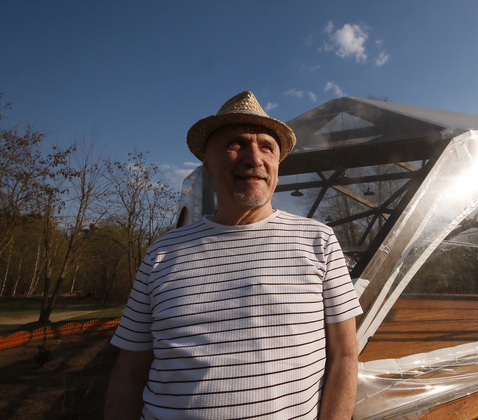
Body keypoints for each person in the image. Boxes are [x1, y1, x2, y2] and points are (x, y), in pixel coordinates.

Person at [105, 91, 363, 420]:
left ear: (277, 165)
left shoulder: (318, 240)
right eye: (236, 144)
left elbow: (345, 356)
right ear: (207, 163)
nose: (254, 158)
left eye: (267, 147)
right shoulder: (162, 252)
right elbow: (129, 371)